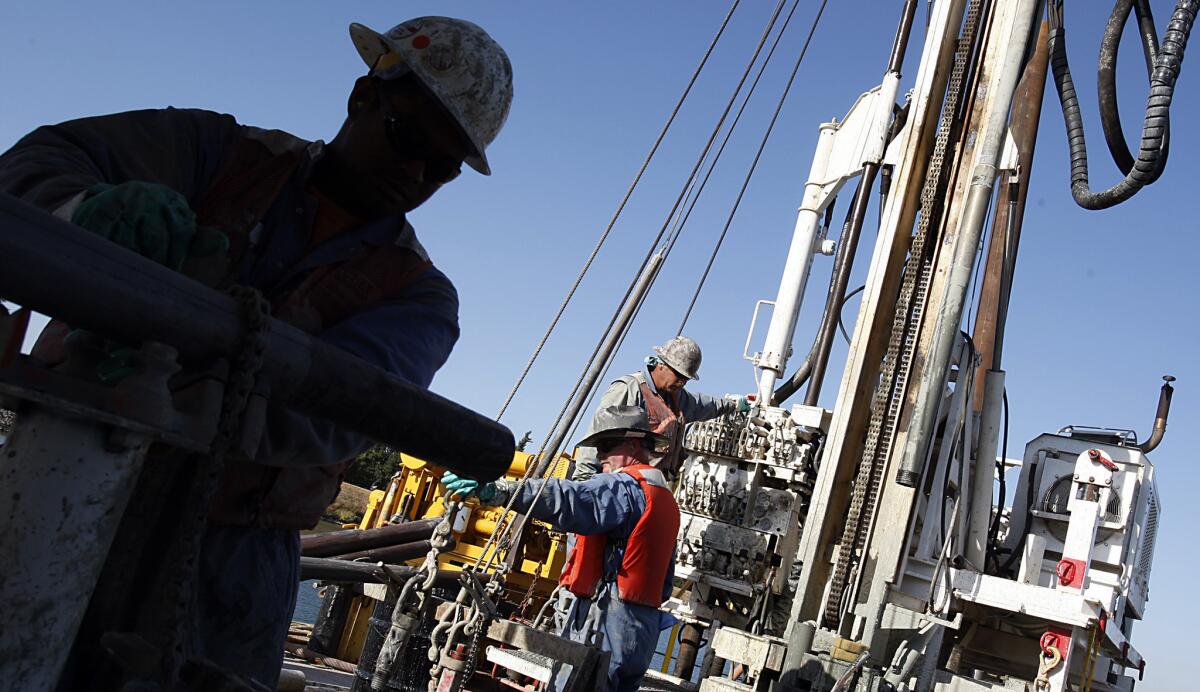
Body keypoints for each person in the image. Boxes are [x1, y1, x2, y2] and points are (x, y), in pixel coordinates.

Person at [0, 16, 513, 688]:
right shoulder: (214, 153)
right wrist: (81, 213)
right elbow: (32, 168)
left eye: (441, 167)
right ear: (364, 97)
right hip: (54, 474)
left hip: (229, 564)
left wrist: (160, 374)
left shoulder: (418, 298)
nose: (415, 172)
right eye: (408, 137)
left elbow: (329, 415)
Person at [442, 406, 679, 692]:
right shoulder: (664, 499)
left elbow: (570, 498)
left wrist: (504, 492)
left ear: (634, 444)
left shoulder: (624, 488)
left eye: (605, 446)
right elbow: (664, 584)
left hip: (605, 629)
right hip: (639, 634)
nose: (600, 456)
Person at [573, 336, 751, 481]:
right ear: (661, 365)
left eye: (686, 379)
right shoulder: (629, 388)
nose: (682, 382)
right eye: (679, 375)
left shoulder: (677, 397)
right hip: (622, 484)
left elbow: (706, 405)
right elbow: (599, 437)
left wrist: (735, 405)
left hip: (653, 485)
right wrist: (584, 482)